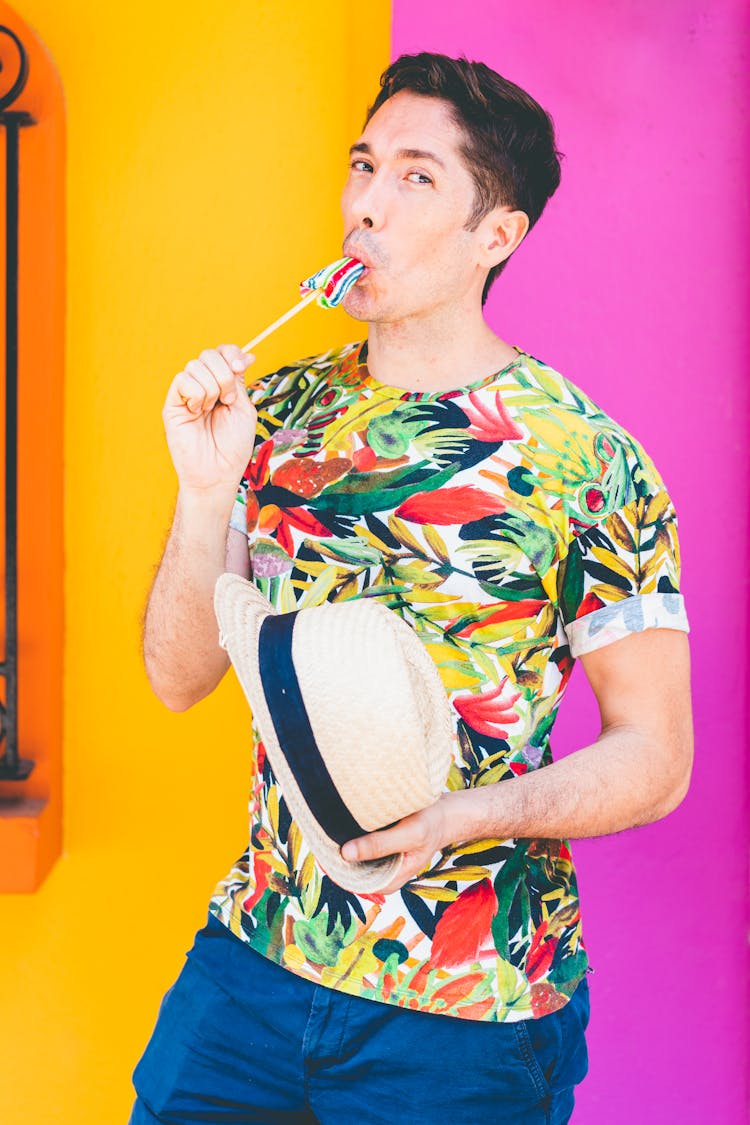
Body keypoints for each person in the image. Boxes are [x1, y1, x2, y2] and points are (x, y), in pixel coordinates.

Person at [132, 52, 693, 1124]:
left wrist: (468, 817)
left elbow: (656, 757)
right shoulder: (275, 414)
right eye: (363, 165)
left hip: (466, 1014)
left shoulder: (590, 462)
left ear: (499, 236)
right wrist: (206, 494)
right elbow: (175, 680)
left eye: (417, 177)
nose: (365, 207)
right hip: (253, 968)